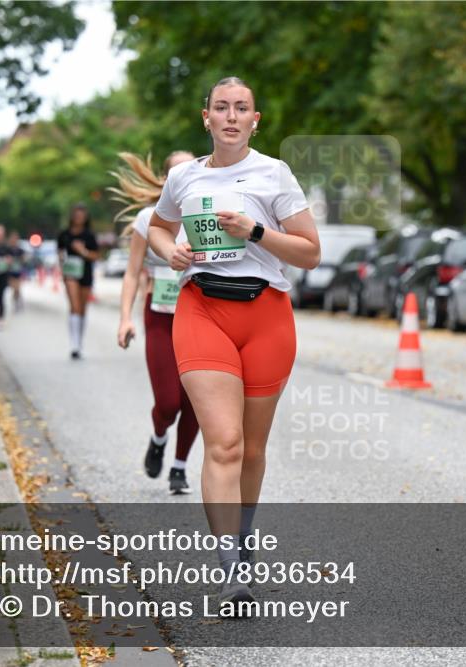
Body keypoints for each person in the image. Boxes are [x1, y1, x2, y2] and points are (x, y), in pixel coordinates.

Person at [147, 76, 320, 607]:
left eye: (241, 108)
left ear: (254, 120)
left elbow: (310, 252)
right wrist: (169, 253)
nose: (230, 116)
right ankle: (230, 570)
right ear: (206, 118)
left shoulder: (274, 174)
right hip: (202, 309)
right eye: (220, 107)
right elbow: (156, 228)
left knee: (250, 449)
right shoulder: (183, 176)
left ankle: (242, 545)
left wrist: (256, 232)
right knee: (223, 442)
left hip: (266, 316)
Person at [114, 150, 199, 495]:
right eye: (177, 173)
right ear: (166, 182)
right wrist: (124, 319)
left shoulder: (206, 217)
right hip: (160, 318)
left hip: (200, 318)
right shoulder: (148, 219)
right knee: (168, 402)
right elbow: (132, 273)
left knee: (196, 399)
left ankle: (179, 466)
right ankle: (159, 436)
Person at [57, 204, 100, 359]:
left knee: (82, 309)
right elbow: (60, 253)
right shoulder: (64, 234)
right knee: (74, 306)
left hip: (86, 272)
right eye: (76, 215)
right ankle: (74, 344)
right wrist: (62, 265)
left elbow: (96, 256)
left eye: (82, 215)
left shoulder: (89, 235)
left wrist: (83, 251)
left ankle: (79, 341)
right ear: (72, 216)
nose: (79, 218)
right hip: (70, 273)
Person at [7, 230, 27, 312]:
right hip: (10, 271)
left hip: (18, 271)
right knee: (14, 287)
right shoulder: (7, 249)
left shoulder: (20, 250)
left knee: (17, 288)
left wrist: (22, 259)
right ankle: (17, 300)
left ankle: (17, 300)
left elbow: (24, 259)